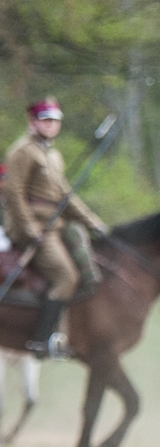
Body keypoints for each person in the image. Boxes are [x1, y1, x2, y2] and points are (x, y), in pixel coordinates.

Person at [4, 98, 107, 359]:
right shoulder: (22, 151)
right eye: (46, 120)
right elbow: (14, 194)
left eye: (55, 121)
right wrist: (29, 229)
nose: (52, 125)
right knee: (66, 277)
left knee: (90, 262)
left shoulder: (53, 155)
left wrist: (93, 222)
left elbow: (65, 197)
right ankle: (42, 340)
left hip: (55, 225)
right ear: (33, 122)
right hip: (35, 229)